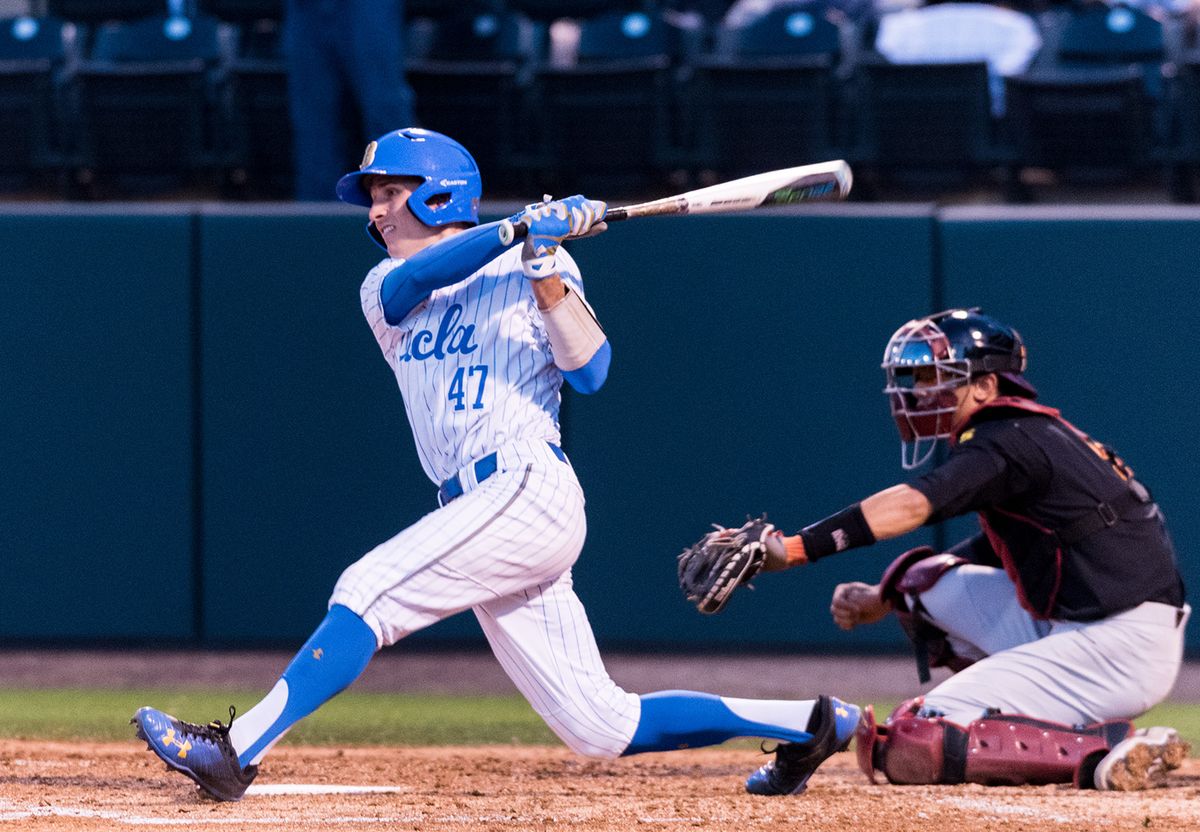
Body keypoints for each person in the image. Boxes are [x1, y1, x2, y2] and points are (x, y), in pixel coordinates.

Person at [131, 127, 859, 802]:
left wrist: (542, 264)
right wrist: (516, 229)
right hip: (477, 509)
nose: (378, 211)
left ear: (438, 191)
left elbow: (592, 371)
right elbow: (425, 277)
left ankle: (236, 750)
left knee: (368, 588)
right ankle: (815, 721)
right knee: (599, 726)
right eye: (375, 197)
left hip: (523, 484)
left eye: (390, 192)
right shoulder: (382, 289)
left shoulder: (535, 261)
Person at [683, 308, 1190, 791]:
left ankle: (1105, 750)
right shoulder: (1023, 433)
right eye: (917, 381)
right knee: (918, 580)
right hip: (1091, 621)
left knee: (913, 741)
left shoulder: (1008, 439)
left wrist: (793, 549)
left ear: (987, 385)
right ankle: (1010, 710)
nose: (920, 393)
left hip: (1119, 646)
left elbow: (911, 505)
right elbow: (1016, 548)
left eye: (936, 378)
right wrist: (884, 596)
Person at [283, 0, 415, 201]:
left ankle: (405, 209)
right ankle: (317, 220)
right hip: (306, 8)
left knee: (384, 107)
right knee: (312, 120)